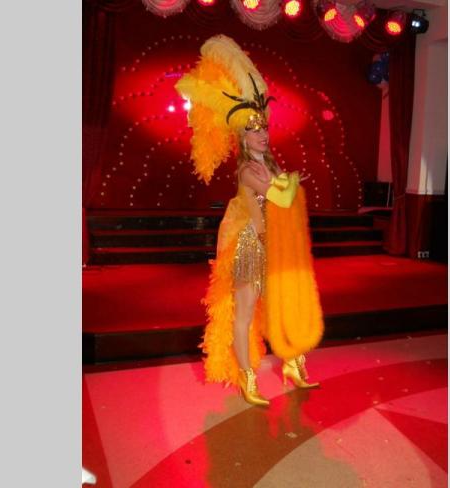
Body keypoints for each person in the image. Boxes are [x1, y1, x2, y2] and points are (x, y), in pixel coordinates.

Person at [176, 35, 324, 407]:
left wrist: (286, 182)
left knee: (283, 305)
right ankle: (248, 379)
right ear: (242, 137)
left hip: (274, 245)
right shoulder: (247, 171)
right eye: (254, 130)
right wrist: (290, 183)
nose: (261, 135)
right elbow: (283, 197)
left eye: (264, 129)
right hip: (250, 246)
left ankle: (293, 364)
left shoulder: (270, 165)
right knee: (244, 313)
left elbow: (285, 198)